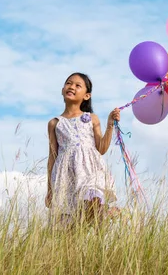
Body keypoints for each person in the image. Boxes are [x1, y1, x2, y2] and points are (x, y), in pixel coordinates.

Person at [46, 72, 120, 224]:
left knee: (93, 199)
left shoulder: (91, 118)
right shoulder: (55, 123)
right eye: (68, 83)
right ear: (62, 90)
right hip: (66, 175)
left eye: (77, 85)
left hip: (90, 171)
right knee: (69, 226)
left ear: (86, 96)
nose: (71, 86)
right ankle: (97, 221)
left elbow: (101, 148)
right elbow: (52, 156)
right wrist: (49, 190)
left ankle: (104, 215)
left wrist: (110, 124)